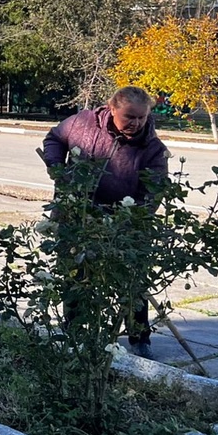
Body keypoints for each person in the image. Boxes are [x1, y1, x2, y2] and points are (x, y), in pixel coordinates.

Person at [40, 85, 169, 357]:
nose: (135, 123)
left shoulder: (153, 149)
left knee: (132, 281)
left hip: (124, 225)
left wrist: (128, 220)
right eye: (129, 117)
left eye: (141, 118)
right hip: (77, 215)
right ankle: (75, 333)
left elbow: (153, 193)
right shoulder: (83, 123)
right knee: (76, 275)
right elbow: (54, 138)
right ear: (112, 109)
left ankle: (139, 338)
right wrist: (57, 169)